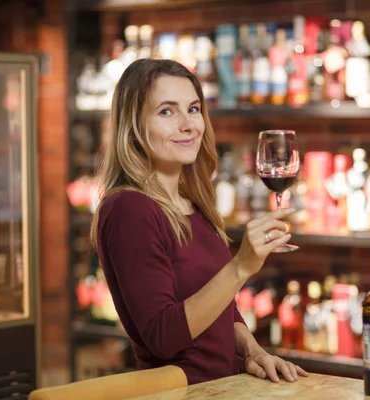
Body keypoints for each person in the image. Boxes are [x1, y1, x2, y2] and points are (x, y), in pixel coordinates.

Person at [90, 58, 309, 385]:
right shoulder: (129, 209)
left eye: (193, 109)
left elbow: (221, 310)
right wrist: (240, 267)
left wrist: (252, 351)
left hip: (224, 389)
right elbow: (162, 337)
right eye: (167, 112)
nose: (189, 124)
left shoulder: (195, 204)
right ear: (133, 126)